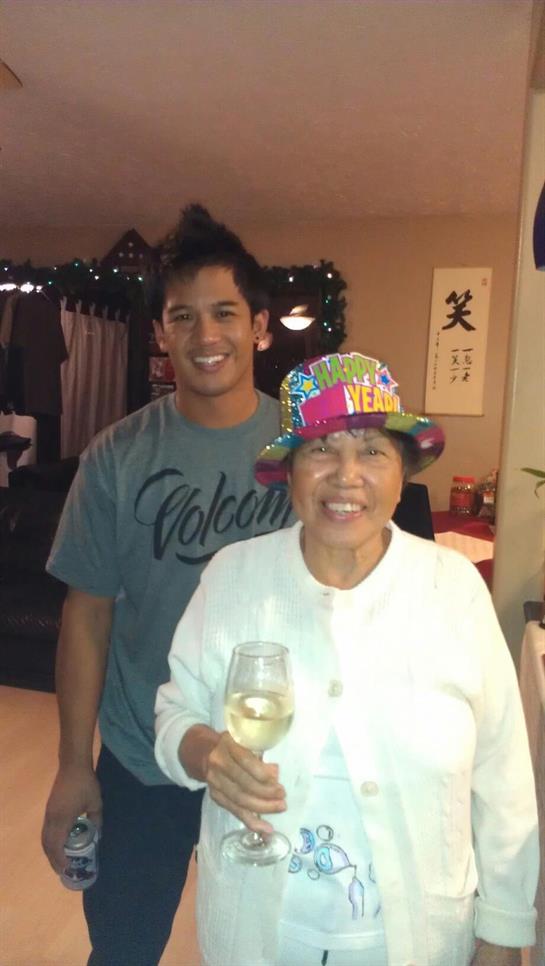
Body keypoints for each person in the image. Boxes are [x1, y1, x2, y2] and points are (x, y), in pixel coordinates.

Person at [155, 350, 539, 966]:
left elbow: (503, 774)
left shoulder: (453, 588)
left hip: (419, 939)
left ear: (402, 470)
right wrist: (206, 753)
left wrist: (504, 929)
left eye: (372, 451)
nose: (346, 475)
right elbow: (174, 712)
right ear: (290, 471)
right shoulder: (234, 578)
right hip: (260, 936)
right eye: (321, 450)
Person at [41, 204, 293, 966]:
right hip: (141, 754)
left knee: (273, 949)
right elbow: (86, 617)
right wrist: (74, 765)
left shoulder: (308, 455)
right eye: (182, 316)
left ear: (258, 326)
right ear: (160, 333)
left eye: (224, 312)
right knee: (121, 950)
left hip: (270, 758)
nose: (204, 335)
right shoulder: (115, 458)